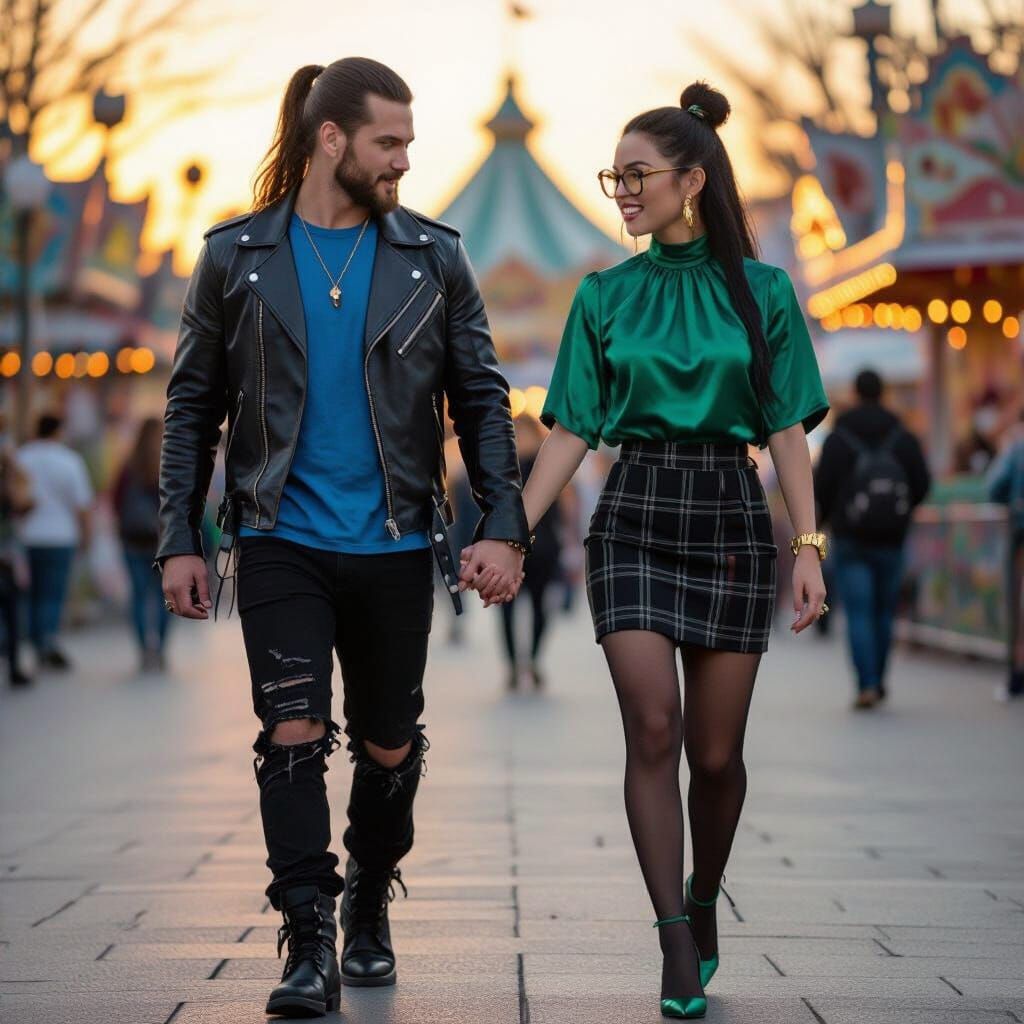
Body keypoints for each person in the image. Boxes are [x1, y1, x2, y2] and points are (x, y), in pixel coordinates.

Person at [156, 57, 529, 1018]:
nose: (405, 159)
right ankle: (311, 937)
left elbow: (480, 400)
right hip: (280, 535)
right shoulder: (235, 258)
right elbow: (191, 405)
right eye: (388, 142)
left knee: (389, 744)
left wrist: (503, 522)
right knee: (291, 728)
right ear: (333, 141)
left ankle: (369, 896)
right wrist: (179, 539)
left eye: (406, 141)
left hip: (399, 543)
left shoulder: (434, 258)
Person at [480, 81, 831, 1019]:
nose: (622, 191)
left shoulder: (763, 293)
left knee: (716, 758)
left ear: (693, 178)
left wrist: (805, 543)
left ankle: (704, 897)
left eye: (638, 176)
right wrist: (505, 530)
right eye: (615, 176)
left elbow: (789, 427)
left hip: (727, 515)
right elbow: (570, 431)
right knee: (653, 732)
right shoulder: (602, 295)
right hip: (632, 517)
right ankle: (674, 944)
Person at [814, 369, 930, 709]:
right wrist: (903, 512)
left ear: (855, 392)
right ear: (883, 393)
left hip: (850, 538)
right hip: (892, 539)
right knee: (884, 610)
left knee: (859, 611)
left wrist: (825, 522)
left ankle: (865, 682)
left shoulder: (840, 436)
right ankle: (879, 680)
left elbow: (822, 486)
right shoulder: (902, 435)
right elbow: (922, 483)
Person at [16, 413, 93, 671]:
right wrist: (86, 535)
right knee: (53, 593)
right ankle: (47, 641)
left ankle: (36, 640)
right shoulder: (69, 461)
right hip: (61, 536)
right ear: (59, 431)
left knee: (33, 593)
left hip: (27, 535)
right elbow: (82, 505)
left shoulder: (22, 457)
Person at [500, 414, 567, 691]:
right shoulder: (505, 467)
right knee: (507, 609)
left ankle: (532, 659)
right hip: (511, 548)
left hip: (543, 548)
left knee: (541, 607)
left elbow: (564, 504)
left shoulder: (543, 465)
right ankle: (515, 663)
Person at [113, 418, 171, 672]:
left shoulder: (128, 467)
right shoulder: (169, 465)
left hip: (133, 540)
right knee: (165, 597)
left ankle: (142, 650)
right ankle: (159, 650)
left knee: (138, 596)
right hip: (164, 540)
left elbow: (116, 501)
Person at [987, 418, 1024, 700]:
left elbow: (995, 486)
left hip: (1021, 532)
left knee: (1018, 603)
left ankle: (1017, 675)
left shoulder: (1017, 448)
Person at [0, 433, 33, 687]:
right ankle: (13, 667)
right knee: (11, 612)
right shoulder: (10, 484)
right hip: (7, 556)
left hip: (8, 556)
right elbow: (25, 506)